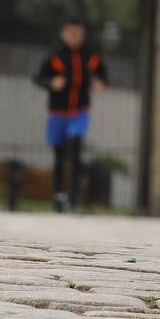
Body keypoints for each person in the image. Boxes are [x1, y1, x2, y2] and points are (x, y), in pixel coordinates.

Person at [33, 18, 108, 212]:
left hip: (80, 112)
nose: (75, 37)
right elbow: (38, 77)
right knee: (59, 155)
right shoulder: (55, 56)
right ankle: (58, 195)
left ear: (83, 35)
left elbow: (102, 71)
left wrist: (101, 83)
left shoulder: (89, 56)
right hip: (57, 113)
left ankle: (74, 197)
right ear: (63, 33)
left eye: (78, 33)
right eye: (71, 33)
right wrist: (51, 83)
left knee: (75, 151)